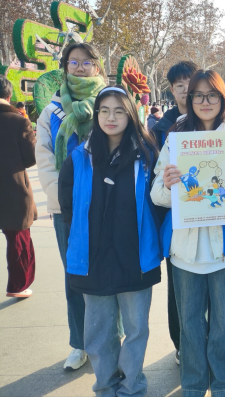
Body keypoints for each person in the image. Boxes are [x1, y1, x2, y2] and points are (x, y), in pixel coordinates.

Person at [151, 69, 225, 397]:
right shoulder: (175, 140)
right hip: (185, 253)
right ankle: (194, 387)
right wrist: (168, 185)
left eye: (212, 94)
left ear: (223, 98)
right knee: (190, 327)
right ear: (189, 99)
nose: (205, 101)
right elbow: (156, 194)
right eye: (198, 95)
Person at [58, 86, 161, 396]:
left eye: (118, 111)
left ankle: (132, 388)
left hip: (135, 256)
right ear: (97, 115)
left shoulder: (147, 155)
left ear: (130, 115)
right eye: (104, 111)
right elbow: (68, 208)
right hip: (93, 259)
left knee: (136, 329)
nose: (111, 117)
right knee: (99, 334)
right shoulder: (79, 158)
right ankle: (105, 388)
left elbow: (159, 203)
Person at [36, 42, 106, 371]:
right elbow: (45, 160)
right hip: (67, 210)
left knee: (108, 271)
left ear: (97, 67)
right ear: (65, 67)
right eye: (73, 62)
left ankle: (109, 338)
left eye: (87, 62)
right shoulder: (51, 112)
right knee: (74, 275)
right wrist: (65, 201)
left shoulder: (111, 103)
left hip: (107, 205)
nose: (80, 67)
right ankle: (80, 342)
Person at [150, 59, 198, 365]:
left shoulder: (218, 123)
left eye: (190, 83)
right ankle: (180, 342)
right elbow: (154, 180)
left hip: (210, 216)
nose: (185, 89)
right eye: (179, 85)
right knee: (178, 287)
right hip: (175, 219)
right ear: (171, 89)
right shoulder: (160, 128)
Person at [0, 75, 36, 299]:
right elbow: (30, 158)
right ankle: (18, 286)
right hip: (12, 188)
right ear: (10, 95)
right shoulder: (19, 121)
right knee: (18, 239)